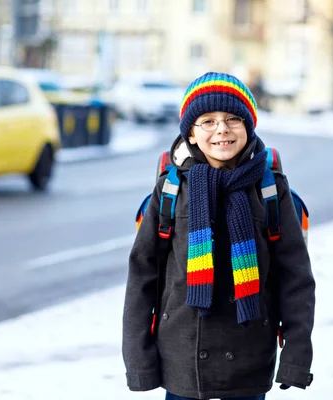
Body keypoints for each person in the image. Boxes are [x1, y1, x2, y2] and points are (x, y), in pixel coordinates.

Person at [122, 72, 315, 400]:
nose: (221, 129)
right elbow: (143, 276)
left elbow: (295, 279)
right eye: (207, 121)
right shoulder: (171, 189)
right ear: (192, 135)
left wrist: (296, 357)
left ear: (249, 127)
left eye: (232, 119)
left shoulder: (270, 189)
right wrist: (139, 360)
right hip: (182, 359)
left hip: (249, 360)